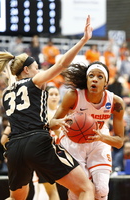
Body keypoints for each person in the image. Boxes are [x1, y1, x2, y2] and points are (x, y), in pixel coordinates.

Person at [0, 15, 95, 200]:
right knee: (86, 189)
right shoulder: (34, 81)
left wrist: (55, 122)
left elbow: (28, 117)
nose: (40, 71)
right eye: (37, 67)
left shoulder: (6, 93)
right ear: (27, 70)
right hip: (37, 143)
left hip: (15, 149)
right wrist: (84, 40)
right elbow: (61, 64)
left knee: (15, 198)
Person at [54, 60, 125, 200]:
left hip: (99, 139)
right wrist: (61, 123)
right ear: (86, 80)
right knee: (80, 190)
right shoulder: (74, 95)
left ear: (106, 83)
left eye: (100, 77)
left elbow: (119, 142)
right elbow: (53, 123)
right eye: (91, 75)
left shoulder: (116, 102)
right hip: (73, 141)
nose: (95, 79)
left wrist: (101, 137)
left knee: (101, 190)